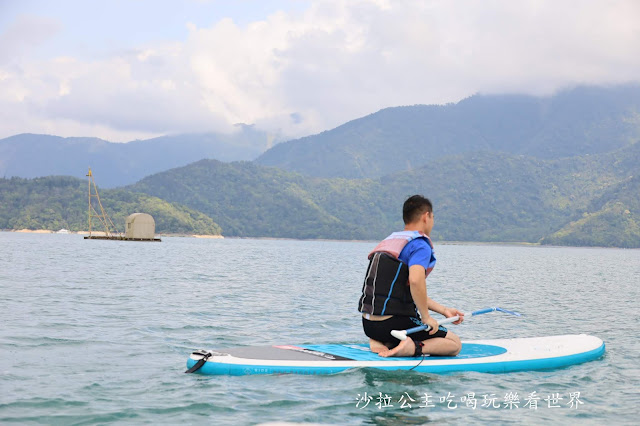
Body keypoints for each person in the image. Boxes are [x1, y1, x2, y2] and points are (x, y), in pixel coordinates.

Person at [358, 195, 464, 357]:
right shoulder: (419, 244)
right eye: (433, 217)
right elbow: (415, 281)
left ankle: (381, 341)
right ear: (426, 216)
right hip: (392, 324)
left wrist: (444, 310)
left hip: (369, 325)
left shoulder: (391, 241)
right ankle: (412, 347)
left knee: (398, 327)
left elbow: (405, 292)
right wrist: (426, 317)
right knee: (454, 344)